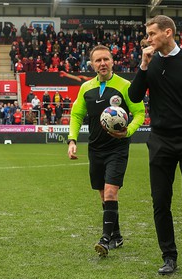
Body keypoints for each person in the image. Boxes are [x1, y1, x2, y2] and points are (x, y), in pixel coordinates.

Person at [128, 15, 182, 275]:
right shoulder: (149, 62)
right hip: (160, 140)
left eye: (152, 34)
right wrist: (143, 66)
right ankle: (169, 256)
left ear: (168, 33)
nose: (148, 39)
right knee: (160, 201)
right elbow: (133, 96)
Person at [67, 45, 145, 258]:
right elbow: (76, 115)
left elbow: (140, 113)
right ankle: (117, 235)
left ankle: (105, 239)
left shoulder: (125, 86)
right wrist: (72, 139)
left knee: (111, 192)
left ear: (112, 61)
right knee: (103, 195)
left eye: (106, 59)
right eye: (98, 60)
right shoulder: (86, 88)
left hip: (117, 149)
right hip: (96, 149)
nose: (102, 63)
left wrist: (128, 130)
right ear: (91, 64)